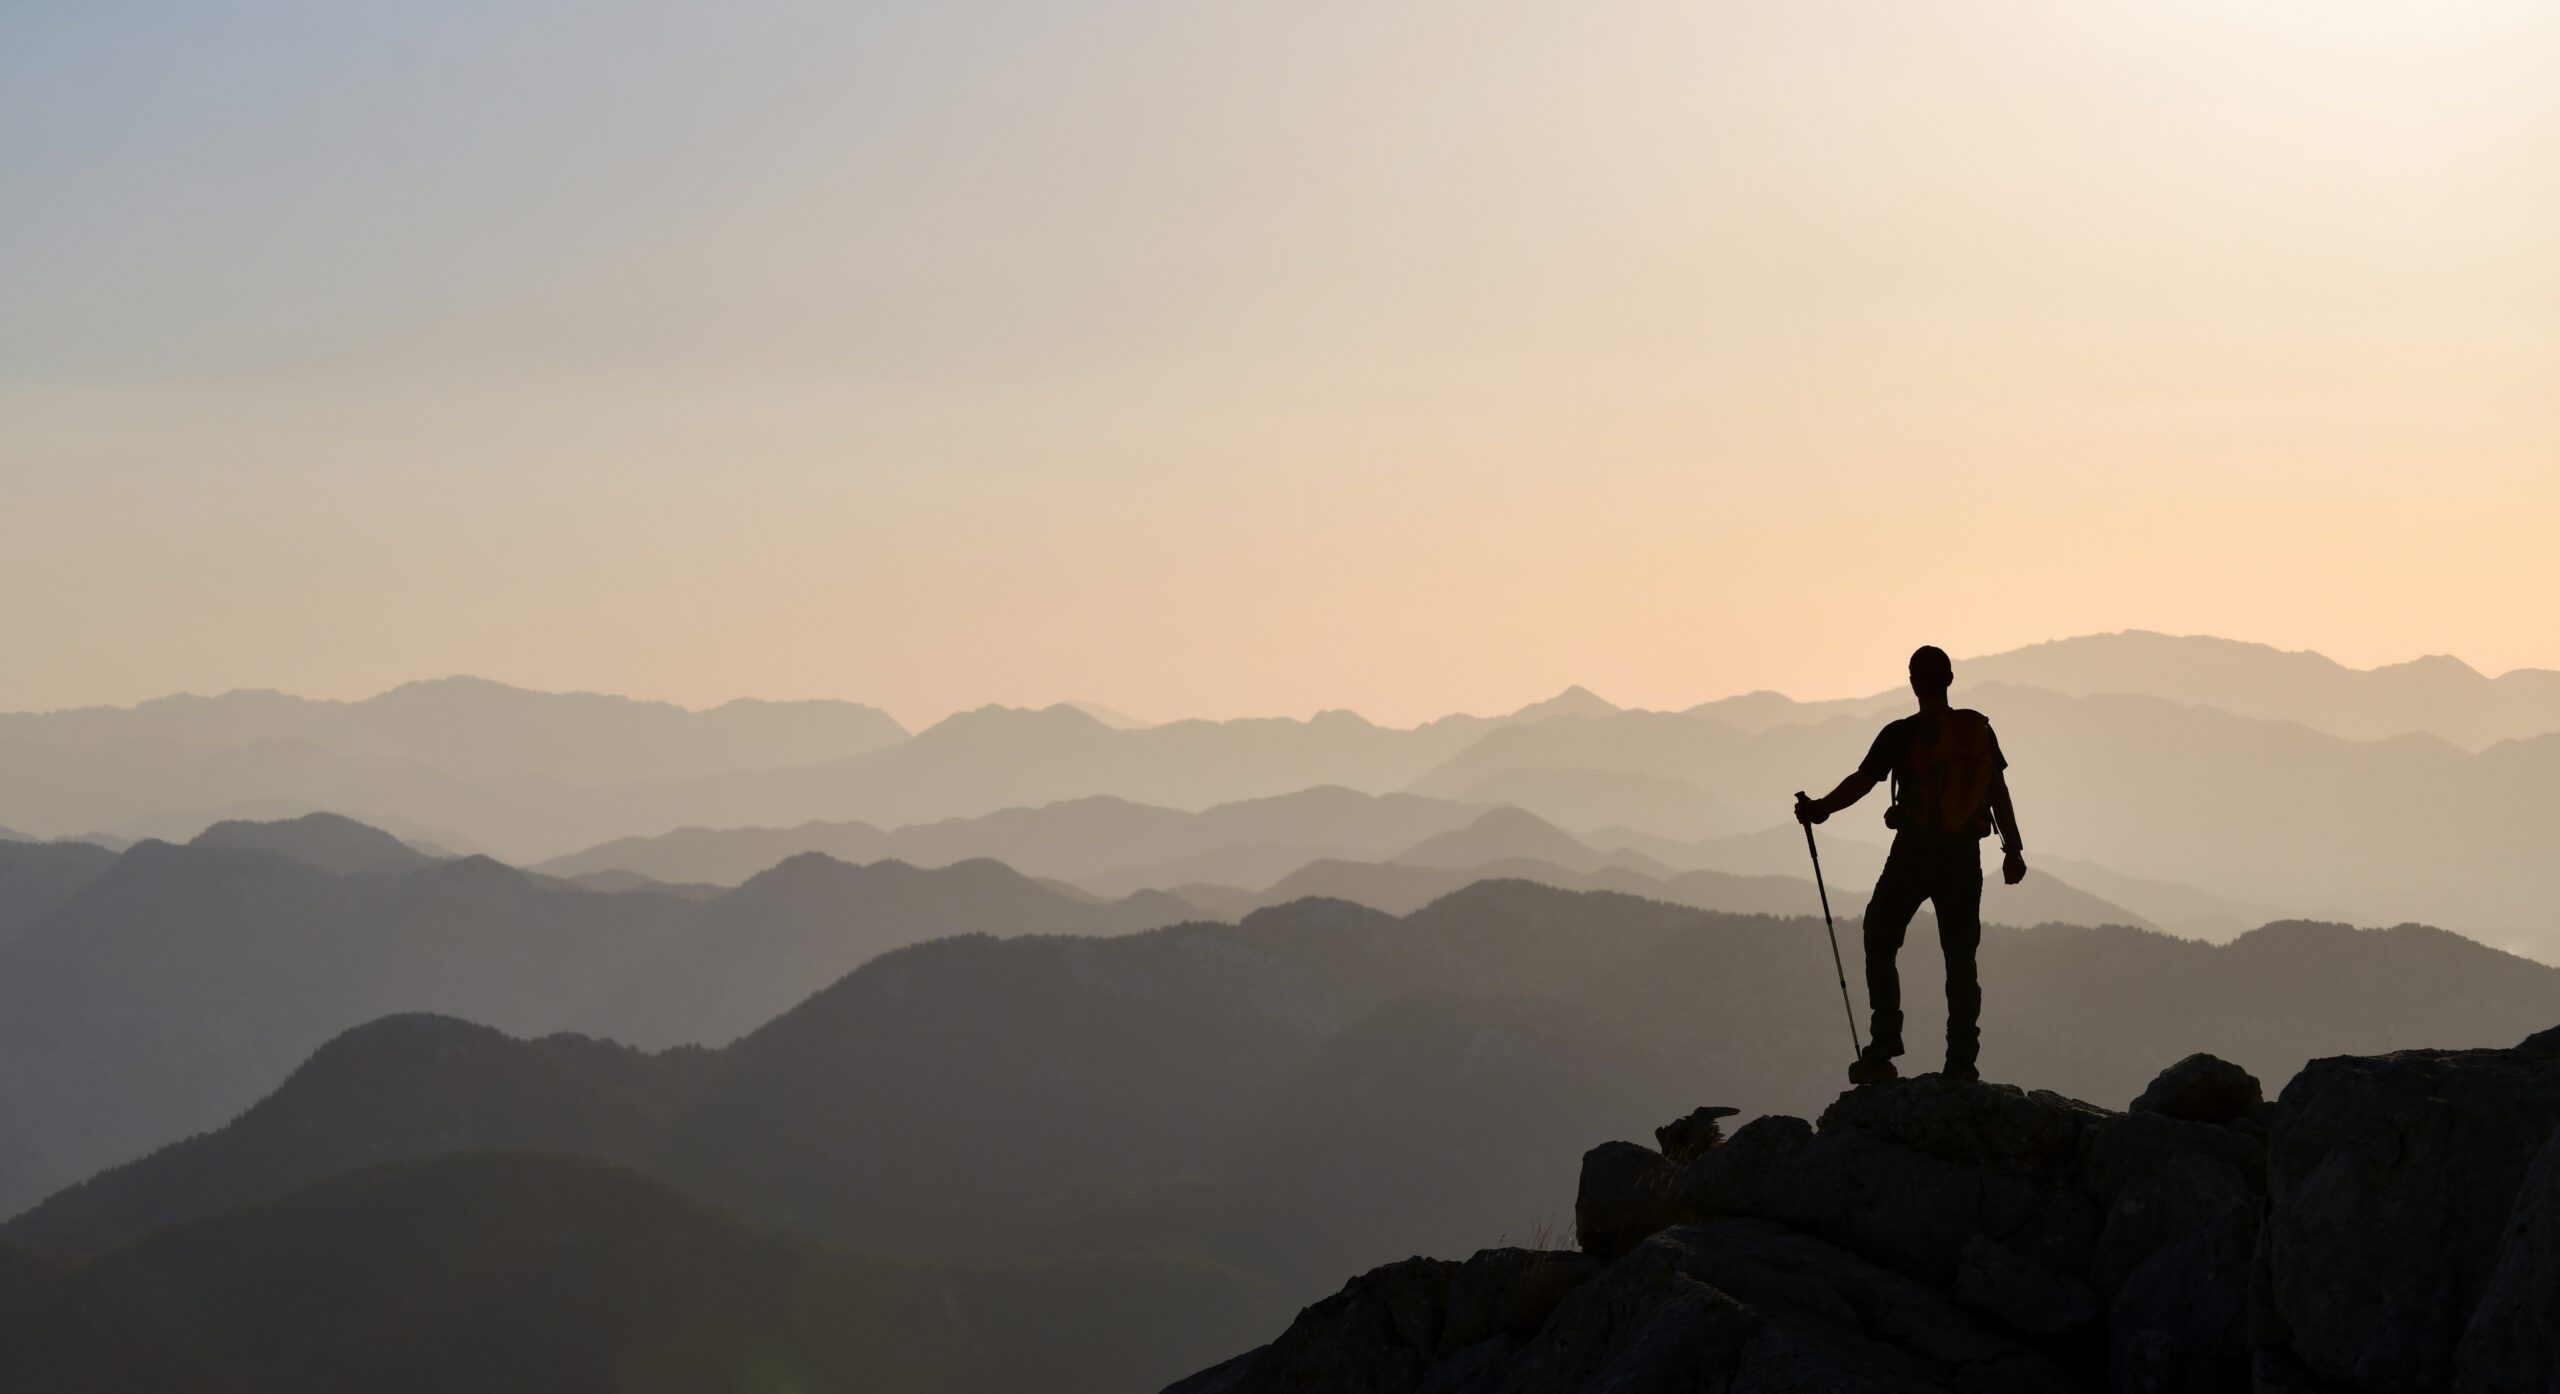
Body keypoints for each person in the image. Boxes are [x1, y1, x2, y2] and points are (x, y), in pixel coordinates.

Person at [1794, 645, 2024, 1084]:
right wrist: (2013, 850)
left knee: (1880, 934)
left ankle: (1884, 1044)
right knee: (1960, 958)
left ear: (1915, 682)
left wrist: (1821, 810)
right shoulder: (1977, 730)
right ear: (1950, 680)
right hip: (1963, 856)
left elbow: (1863, 782)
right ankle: (1961, 1060)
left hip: (1915, 853)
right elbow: (1998, 791)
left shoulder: (1901, 734)